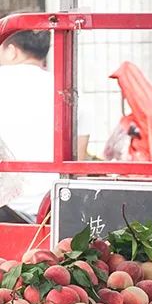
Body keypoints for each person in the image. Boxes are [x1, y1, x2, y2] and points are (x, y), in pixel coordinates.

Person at [0, 28, 89, 219]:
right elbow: (78, 162)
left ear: (12, 51)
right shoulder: (70, 91)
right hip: (51, 210)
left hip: (5, 208)